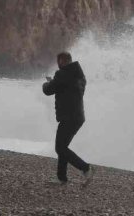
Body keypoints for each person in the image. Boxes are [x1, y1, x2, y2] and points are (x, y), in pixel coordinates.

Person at [42, 51, 94, 185]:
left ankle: (86, 168)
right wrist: (55, 83)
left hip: (68, 117)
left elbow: (48, 90)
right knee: (63, 147)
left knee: (60, 148)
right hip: (78, 117)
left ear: (62, 61)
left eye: (59, 61)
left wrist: (46, 83)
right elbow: (67, 88)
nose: (58, 64)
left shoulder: (62, 74)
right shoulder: (80, 75)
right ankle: (61, 178)